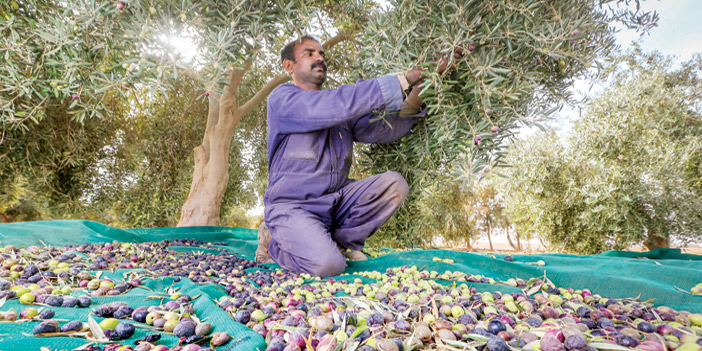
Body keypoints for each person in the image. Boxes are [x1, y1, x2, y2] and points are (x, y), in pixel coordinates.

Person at [255, 35, 457, 277]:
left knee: (394, 185)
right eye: (309, 53)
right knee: (329, 266)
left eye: (321, 53)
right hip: (293, 207)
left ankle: (340, 240)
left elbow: (385, 127)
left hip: (335, 203)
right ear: (289, 66)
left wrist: (424, 83)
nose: (320, 57)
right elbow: (332, 105)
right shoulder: (283, 99)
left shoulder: (340, 113)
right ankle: (273, 241)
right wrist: (404, 78)